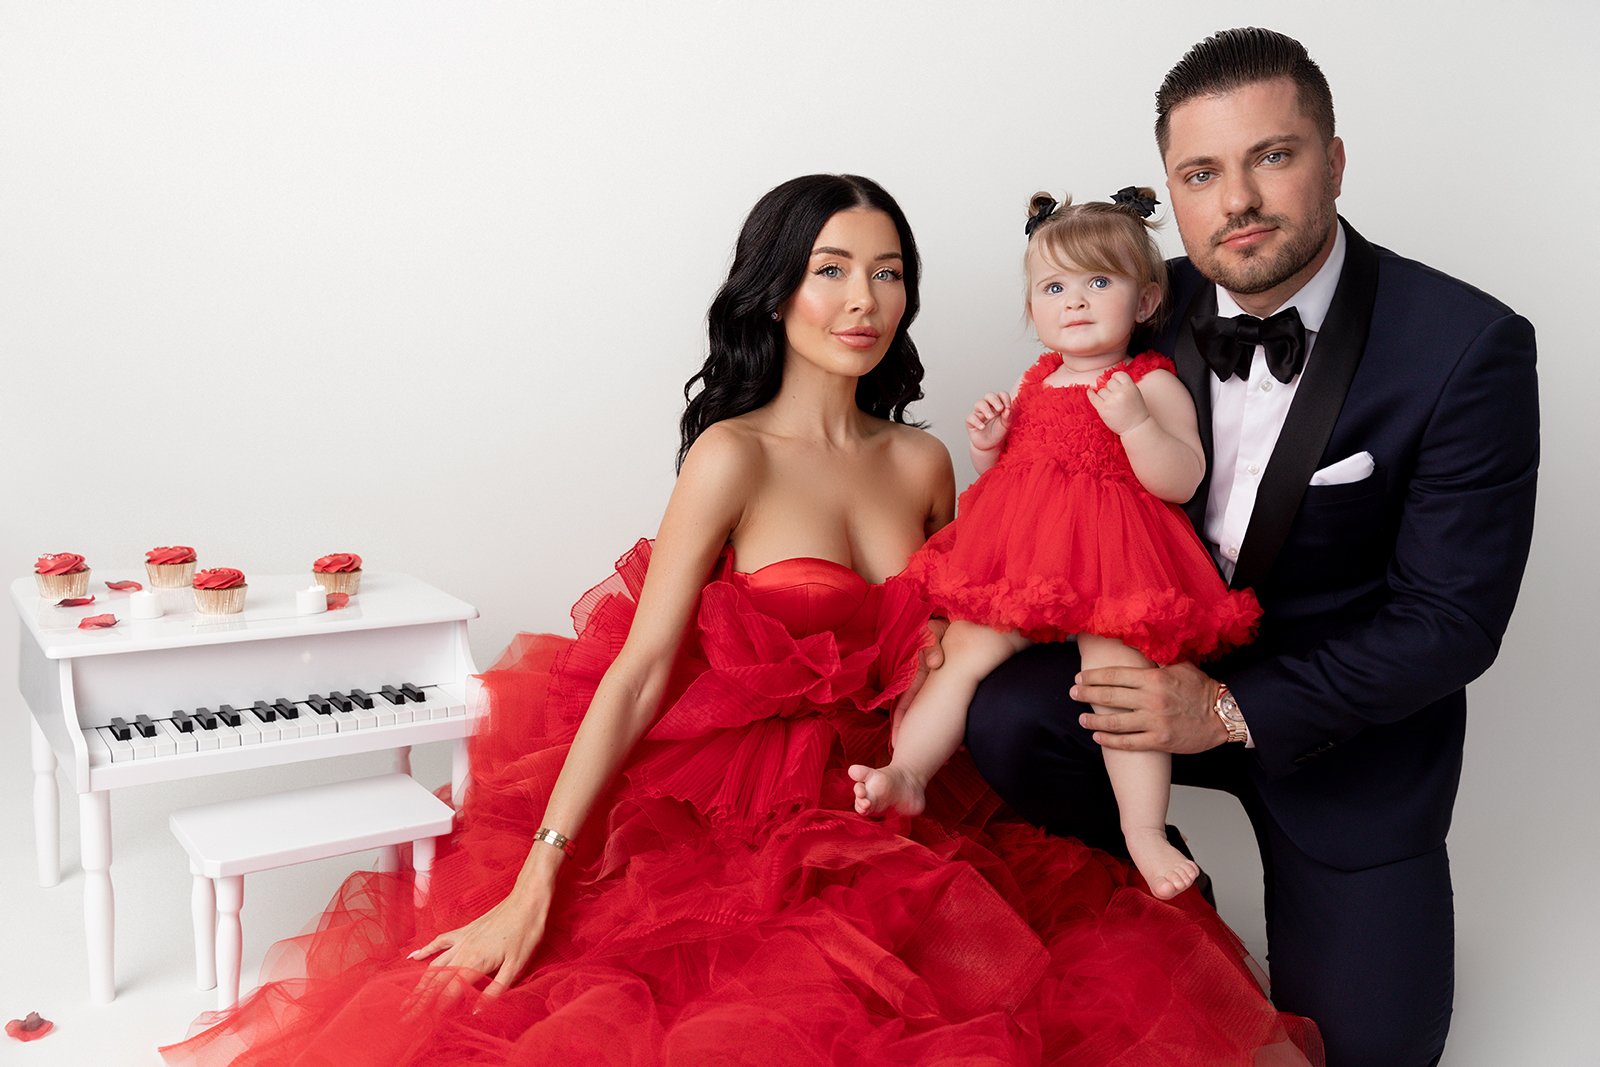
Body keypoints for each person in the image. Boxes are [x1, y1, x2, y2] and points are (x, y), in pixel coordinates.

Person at [161, 174, 1321, 1065]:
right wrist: (538, 874)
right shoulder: (732, 456)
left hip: (906, 797)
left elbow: (998, 611)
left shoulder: (925, 462)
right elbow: (638, 670)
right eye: (831, 269)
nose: (863, 300)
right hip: (741, 812)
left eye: (888, 273)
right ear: (774, 287)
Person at [965, 28, 1539, 1067]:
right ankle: (1155, 885)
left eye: (1271, 156)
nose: (1236, 200)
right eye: (1201, 173)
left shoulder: (1464, 346)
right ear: (1171, 194)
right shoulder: (1131, 295)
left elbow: (1450, 622)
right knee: (999, 714)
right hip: (1148, 660)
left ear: (1334, 159)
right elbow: (1045, 485)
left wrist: (1227, 709)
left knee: (1370, 1051)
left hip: (1342, 731)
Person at [848, 189, 1261, 902]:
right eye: (1054, 287)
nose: (1075, 301)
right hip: (1025, 558)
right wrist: (988, 443)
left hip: (1115, 558)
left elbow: (1181, 477)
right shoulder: (1035, 380)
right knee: (966, 649)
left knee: (1118, 678)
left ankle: (1143, 830)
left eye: (1099, 282)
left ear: (1145, 300)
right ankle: (909, 771)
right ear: (1033, 307)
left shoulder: (1148, 381)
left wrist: (1136, 425)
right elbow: (1013, 476)